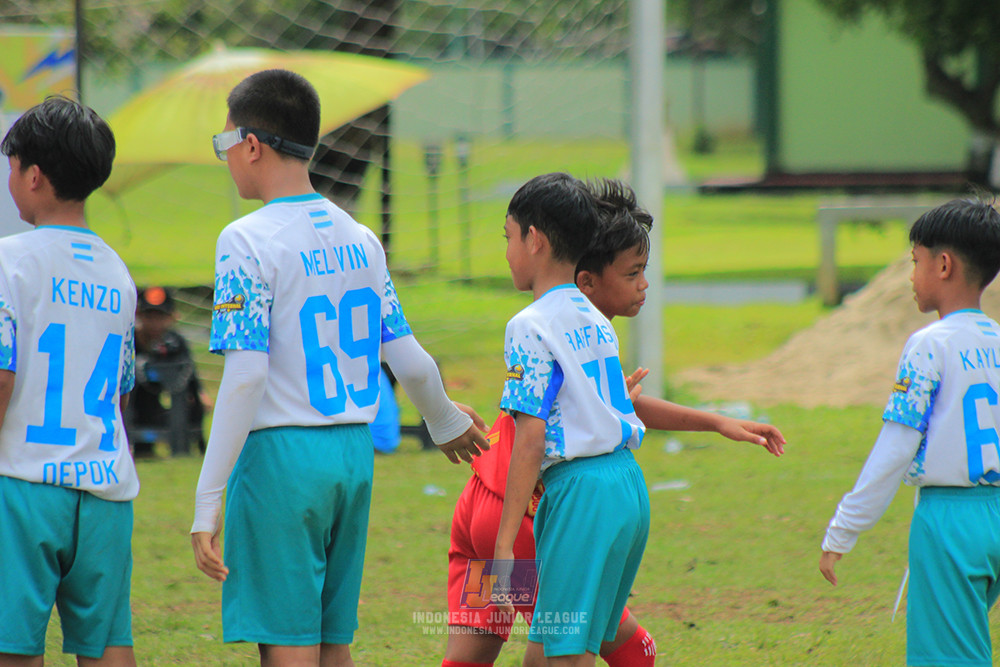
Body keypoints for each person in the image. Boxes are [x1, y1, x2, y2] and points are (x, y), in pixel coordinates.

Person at [189, 69, 489, 667]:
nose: (226, 159)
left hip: (283, 460)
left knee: (289, 645)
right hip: (353, 455)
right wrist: (444, 419)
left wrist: (206, 499)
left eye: (225, 146)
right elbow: (409, 358)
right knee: (332, 642)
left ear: (252, 145)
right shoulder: (361, 238)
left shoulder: (244, 240)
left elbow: (246, 377)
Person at [443, 178, 784, 667]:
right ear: (588, 277)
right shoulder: (586, 322)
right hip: (551, 507)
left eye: (508, 238)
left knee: (524, 649)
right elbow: (552, 429)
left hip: (493, 505)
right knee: (590, 648)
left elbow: (547, 429)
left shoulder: (541, 324)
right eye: (633, 273)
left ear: (534, 240)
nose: (643, 285)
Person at [820, 198, 1000, 667]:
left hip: (949, 520)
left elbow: (896, 446)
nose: (910, 275)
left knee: (950, 658)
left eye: (915, 261)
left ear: (944, 265)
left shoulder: (928, 345)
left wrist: (843, 529)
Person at [0, 97, 138, 666]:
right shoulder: (118, 273)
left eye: (11, 167)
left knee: (13, 647)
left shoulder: (10, 261)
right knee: (108, 646)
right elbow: (121, 393)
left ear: (33, 175)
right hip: (105, 488)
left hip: (23, 485)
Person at [127, 285, 211, 457]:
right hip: (139, 407)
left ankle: (192, 447)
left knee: (193, 403)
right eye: (149, 316)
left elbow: (190, 374)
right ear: (138, 316)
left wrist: (201, 394)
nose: (155, 323)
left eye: (161, 317)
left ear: (172, 317)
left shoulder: (175, 342)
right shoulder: (130, 342)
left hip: (171, 408)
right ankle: (141, 450)